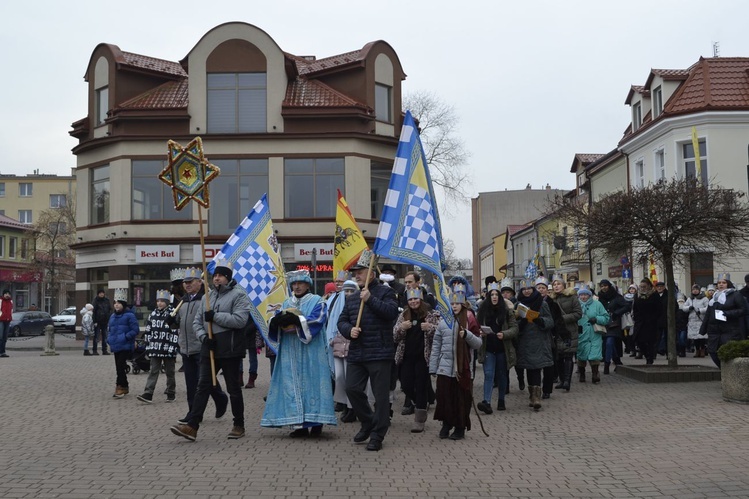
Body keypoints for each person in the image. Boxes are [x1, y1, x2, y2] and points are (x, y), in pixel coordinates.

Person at [170, 261, 250, 441]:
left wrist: (215, 316)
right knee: (202, 386)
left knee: (233, 389)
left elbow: (240, 320)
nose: (216, 278)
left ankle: (239, 424)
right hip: (209, 347)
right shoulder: (209, 296)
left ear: (227, 277)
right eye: (214, 276)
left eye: (220, 275)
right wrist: (203, 337)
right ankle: (192, 425)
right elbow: (197, 322)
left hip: (229, 348)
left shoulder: (239, 295)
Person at [261, 270, 336, 437]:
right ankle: (299, 425)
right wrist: (276, 323)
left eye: (300, 283)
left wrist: (297, 324)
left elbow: (318, 320)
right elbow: (276, 323)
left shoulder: (318, 301)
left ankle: (317, 424)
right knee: (292, 386)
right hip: (291, 352)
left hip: (312, 352)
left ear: (307, 284)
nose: (297, 286)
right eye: (294, 284)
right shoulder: (287, 303)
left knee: (314, 385)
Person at [338, 251, 400, 452]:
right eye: (354, 272)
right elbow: (342, 321)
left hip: (380, 352)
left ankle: (377, 435)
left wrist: (371, 299)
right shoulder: (353, 297)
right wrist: (349, 330)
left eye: (360, 272)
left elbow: (391, 313)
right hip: (358, 351)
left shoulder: (385, 292)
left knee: (381, 397)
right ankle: (368, 422)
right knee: (352, 389)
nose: (356, 275)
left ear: (371, 273)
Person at [168, 267, 228, 426]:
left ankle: (220, 398)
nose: (187, 285)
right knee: (191, 383)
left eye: (190, 282)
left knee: (205, 381)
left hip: (201, 346)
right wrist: (172, 323)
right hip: (186, 348)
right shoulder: (183, 301)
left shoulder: (205, 300)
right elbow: (181, 324)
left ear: (199, 283)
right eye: (185, 283)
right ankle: (193, 412)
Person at [430, 288, 482, 439]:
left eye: (457, 303)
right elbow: (436, 345)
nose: (454, 306)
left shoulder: (470, 318)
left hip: (463, 368)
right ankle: (446, 424)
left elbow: (478, 343)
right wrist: (433, 367)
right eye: (451, 303)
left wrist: (467, 335)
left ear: (463, 303)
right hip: (445, 368)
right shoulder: (443, 321)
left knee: (460, 398)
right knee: (444, 397)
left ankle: (460, 427)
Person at [394, 288, 439, 432]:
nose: (413, 302)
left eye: (416, 299)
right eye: (410, 299)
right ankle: (420, 403)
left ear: (421, 300)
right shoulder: (403, 315)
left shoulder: (430, 315)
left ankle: (419, 419)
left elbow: (440, 332)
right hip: (406, 357)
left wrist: (430, 328)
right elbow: (394, 336)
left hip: (423, 358)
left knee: (421, 386)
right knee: (406, 385)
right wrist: (402, 328)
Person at [476, 282, 518, 413]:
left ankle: (501, 400)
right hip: (488, 348)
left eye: (496, 295)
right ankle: (486, 402)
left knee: (501, 374)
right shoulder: (482, 311)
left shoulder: (507, 311)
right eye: (491, 295)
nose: (494, 297)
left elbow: (515, 328)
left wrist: (504, 334)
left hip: (502, 348)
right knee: (488, 374)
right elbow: (476, 328)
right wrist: (480, 332)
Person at [331, 279, 369, 423]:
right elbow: (332, 322)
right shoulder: (335, 303)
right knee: (340, 376)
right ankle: (342, 403)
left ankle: (352, 407)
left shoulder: (360, 304)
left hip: (353, 347)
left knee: (352, 380)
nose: (347, 293)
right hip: (337, 346)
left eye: (351, 290)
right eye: (345, 290)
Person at [514, 281, 554, 411]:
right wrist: (520, 322)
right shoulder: (518, 305)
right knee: (528, 368)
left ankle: (537, 397)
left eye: (529, 288)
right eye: (524, 289)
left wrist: (539, 320)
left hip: (538, 340)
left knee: (536, 368)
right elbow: (512, 322)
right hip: (523, 341)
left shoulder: (542, 304)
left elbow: (550, 321)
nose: (526, 291)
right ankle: (532, 395)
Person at [137, 290, 179, 404]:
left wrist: (172, 347)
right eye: (158, 301)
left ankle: (171, 392)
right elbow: (149, 330)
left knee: (170, 371)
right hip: (155, 348)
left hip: (167, 348)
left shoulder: (172, 314)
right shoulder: (153, 314)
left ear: (167, 302)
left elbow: (175, 332)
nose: (159, 303)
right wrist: (148, 344)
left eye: (162, 301)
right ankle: (148, 393)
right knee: (153, 371)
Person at [701, 273, 747, 368]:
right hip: (714, 330)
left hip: (729, 329)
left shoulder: (735, 295)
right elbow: (709, 313)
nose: (721, 284)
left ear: (728, 284)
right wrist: (703, 328)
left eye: (724, 282)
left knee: (726, 353)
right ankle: (724, 370)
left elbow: (743, 310)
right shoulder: (714, 296)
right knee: (713, 352)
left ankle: (727, 372)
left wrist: (727, 313)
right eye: (719, 283)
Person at [548, 275, 582, 392]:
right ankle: (562, 380)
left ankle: (567, 381)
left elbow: (578, 313)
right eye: (554, 284)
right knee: (558, 357)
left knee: (568, 355)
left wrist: (563, 318)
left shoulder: (572, 297)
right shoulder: (551, 299)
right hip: (557, 332)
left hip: (569, 330)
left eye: (558, 284)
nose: (556, 286)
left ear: (563, 285)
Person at [107, 289, 140, 398]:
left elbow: (135, 330)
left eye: (119, 303)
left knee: (121, 366)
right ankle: (125, 386)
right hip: (115, 345)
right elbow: (110, 329)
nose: (116, 305)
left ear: (123, 304)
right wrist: (109, 339)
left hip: (125, 344)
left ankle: (119, 386)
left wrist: (125, 337)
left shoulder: (130, 315)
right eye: (115, 303)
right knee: (118, 366)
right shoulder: (112, 316)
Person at [576, 286, 610, 384]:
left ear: (589, 295)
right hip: (581, 333)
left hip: (595, 333)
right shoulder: (576, 305)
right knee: (581, 354)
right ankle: (582, 373)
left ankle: (595, 374)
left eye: (585, 294)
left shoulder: (597, 304)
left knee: (595, 354)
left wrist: (597, 319)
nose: (583, 297)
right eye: (581, 295)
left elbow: (606, 318)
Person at [597, 279, 630, 374]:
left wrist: (616, 313)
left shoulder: (617, 296)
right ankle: (617, 361)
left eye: (605, 285)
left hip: (614, 324)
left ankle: (607, 365)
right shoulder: (599, 297)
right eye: (602, 286)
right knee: (610, 344)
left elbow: (626, 306)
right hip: (603, 323)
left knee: (609, 342)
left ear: (609, 286)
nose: (604, 288)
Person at [535, 276, 557, 399]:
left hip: (549, 336)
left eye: (543, 288)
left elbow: (556, 320)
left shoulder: (552, 303)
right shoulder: (532, 302)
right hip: (536, 337)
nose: (541, 290)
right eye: (539, 288)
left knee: (549, 364)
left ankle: (547, 389)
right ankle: (536, 388)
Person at [633, 278, 661, 364]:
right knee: (638, 340)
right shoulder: (637, 295)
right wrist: (637, 318)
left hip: (651, 322)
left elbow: (659, 308)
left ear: (649, 286)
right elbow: (635, 309)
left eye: (644, 286)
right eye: (641, 286)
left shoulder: (654, 295)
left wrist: (654, 318)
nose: (642, 288)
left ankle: (650, 359)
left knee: (650, 342)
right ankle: (646, 355)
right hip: (640, 322)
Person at [683, 284, 709, 358]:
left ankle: (702, 350)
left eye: (696, 289)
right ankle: (697, 350)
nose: (695, 291)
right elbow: (684, 307)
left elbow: (708, 308)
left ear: (699, 290)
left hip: (701, 320)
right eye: (693, 289)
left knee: (701, 337)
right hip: (692, 321)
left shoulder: (704, 299)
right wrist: (689, 308)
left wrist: (700, 310)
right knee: (695, 338)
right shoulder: (689, 299)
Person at [92, 289, 112, 355]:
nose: (102, 294)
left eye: (102, 293)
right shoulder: (95, 301)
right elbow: (93, 311)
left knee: (105, 336)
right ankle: (94, 350)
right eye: (100, 293)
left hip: (105, 321)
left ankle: (104, 350)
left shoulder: (107, 300)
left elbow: (109, 309)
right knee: (96, 336)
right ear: (98, 294)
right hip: (97, 321)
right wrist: (94, 321)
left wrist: (108, 317)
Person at [622, 284, 637, 357]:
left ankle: (635, 349)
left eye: (633, 289)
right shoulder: (625, 297)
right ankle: (631, 349)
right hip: (627, 318)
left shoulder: (637, 297)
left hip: (634, 317)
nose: (631, 290)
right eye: (630, 289)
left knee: (634, 334)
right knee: (628, 335)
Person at [0, 289, 11, 358]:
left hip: (8, 320)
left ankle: (3, 352)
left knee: (5, 337)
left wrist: (10, 317)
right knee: (0, 336)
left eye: (8, 294)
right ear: (3, 294)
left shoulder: (11, 302)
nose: (7, 295)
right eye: (6, 293)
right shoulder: (0, 301)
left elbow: (11, 310)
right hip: (1, 320)